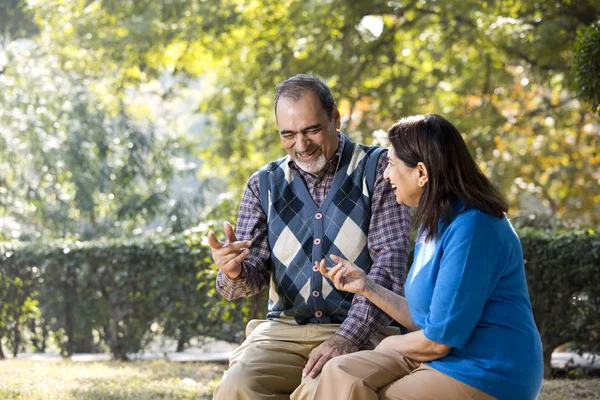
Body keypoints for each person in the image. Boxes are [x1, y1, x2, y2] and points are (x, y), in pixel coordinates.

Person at [208, 74, 412, 400]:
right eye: (288, 134)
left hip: (362, 330)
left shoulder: (378, 170)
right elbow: (250, 278)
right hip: (283, 332)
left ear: (335, 118)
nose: (300, 145)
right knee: (237, 387)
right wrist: (233, 272)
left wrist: (347, 336)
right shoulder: (263, 184)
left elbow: (389, 267)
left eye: (311, 130)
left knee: (323, 390)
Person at [314, 114, 544, 400]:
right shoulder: (436, 222)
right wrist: (367, 287)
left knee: (378, 393)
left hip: (488, 371)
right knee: (339, 372)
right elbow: (427, 317)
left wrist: (386, 347)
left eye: (392, 164)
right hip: (443, 357)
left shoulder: (473, 227)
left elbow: (439, 340)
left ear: (421, 173)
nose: (385, 175)